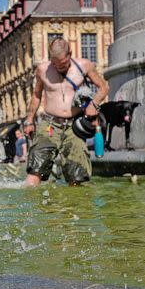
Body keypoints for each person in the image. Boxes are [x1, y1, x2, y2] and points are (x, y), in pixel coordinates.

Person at [23, 38, 109, 186]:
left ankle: (75, 208)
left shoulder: (84, 66)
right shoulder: (42, 70)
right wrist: (29, 120)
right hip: (49, 125)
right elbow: (36, 95)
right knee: (35, 169)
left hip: (74, 127)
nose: (59, 68)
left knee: (77, 177)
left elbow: (104, 87)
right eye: (55, 64)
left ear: (69, 54)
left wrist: (93, 104)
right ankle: (29, 207)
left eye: (62, 64)